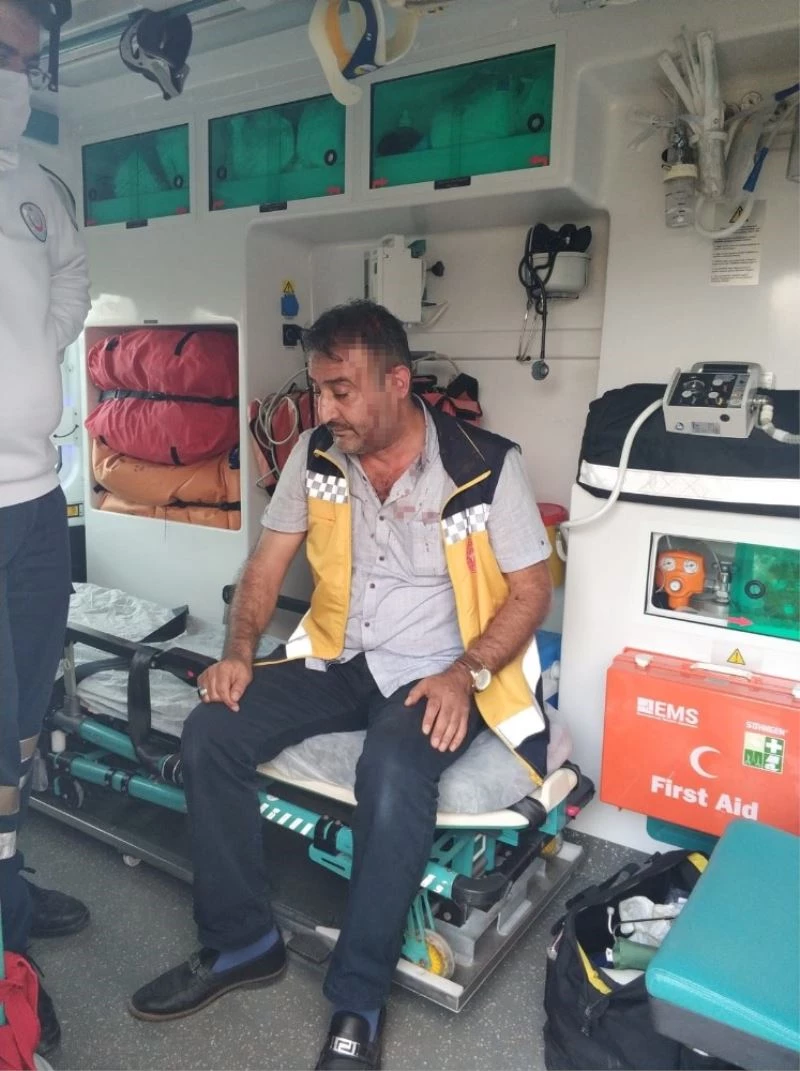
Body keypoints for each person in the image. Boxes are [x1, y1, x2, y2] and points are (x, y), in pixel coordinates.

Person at [130, 300, 554, 1070]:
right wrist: (238, 651)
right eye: (318, 390)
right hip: (339, 653)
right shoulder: (315, 453)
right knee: (212, 728)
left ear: (398, 382)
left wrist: (464, 674)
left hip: (437, 671)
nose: (324, 409)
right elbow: (265, 565)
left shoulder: (486, 464)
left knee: (391, 769)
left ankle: (358, 997)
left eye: (341, 390)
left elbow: (531, 590)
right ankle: (241, 941)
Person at [0, 0, 92, 1054]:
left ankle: (9, 888)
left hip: (34, 504)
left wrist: (40, 343)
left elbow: (70, 272)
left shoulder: (35, 186)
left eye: (25, 61)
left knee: (21, 727)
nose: (14, 78)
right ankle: (8, 959)